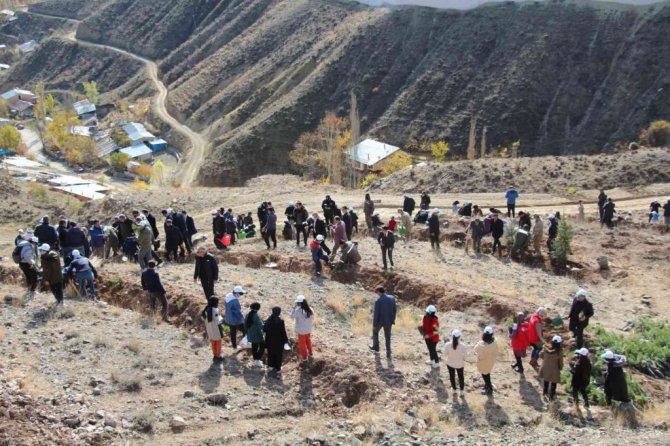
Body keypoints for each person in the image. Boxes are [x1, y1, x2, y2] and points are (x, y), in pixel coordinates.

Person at [369, 286, 397, 359]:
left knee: (375, 332)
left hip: (380, 321)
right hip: (389, 321)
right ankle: (388, 353)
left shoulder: (378, 301)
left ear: (379, 291)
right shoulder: (392, 298)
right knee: (388, 336)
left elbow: (376, 314)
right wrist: (393, 319)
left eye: (377, 292)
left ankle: (376, 347)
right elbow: (394, 310)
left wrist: (374, 323)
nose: (377, 294)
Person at [264, 306, 289, 377]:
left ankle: (270, 366)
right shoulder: (281, 321)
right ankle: (278, 368)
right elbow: (283, 332)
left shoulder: (268, 320)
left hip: (269, 340)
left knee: (270, 353)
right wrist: (286, 340)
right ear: (279, 313)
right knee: (279, 355)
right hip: (279, 341)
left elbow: (264, 329)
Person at [474, 326, 497, 396]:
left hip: (483, 363)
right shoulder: (494, 342)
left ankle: (489, 388)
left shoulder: (481, 344)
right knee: (487, 374)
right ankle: (487, 385)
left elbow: (475, 349)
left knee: (485, 375)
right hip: (490, 362)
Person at [290, 295, 314, 362]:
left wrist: (294, 308)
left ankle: (304, 357)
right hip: (308, 329)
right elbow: (312, 318)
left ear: (299, 303)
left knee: (302, 344)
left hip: (301, 331)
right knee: (308, 340)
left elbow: (291, 316)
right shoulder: (310, 309)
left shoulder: (298, 311)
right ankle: (310, 353)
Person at [539, 335, 563, 401]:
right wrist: (560, 368)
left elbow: (540, 355)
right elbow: (561, 362)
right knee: (553, 383)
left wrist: (545, 359)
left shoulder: (546, 348)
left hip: (545, 367)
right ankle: (551, 397)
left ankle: (544, 392)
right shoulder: (559, 352)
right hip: (555, 369)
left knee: (546, 380)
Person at [444, 329, 467, 395]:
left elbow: (445, 354)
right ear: (459, 337)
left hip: (450, 363)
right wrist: (463, 359)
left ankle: (454, 390)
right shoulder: (462, 346)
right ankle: (462, 391)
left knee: (452, 376)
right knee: (461, 377)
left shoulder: (447, 345)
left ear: (452, 336)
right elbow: (465, 356)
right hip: (460, 364)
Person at [201, 296, 224, 363]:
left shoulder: (205, 310)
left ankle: (215, 355)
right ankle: (218, 356)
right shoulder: (215, 310)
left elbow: (203, 318)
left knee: (213, 342)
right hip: (216, 329)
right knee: (218, 342)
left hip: (209, 329)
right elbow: (217, 320)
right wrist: (222, 319)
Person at [225, 286, 246, 353]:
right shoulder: (235, 301)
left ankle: (234, 348)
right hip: (235, 320)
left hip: (229, 318)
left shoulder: (228, 296)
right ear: (236, 293)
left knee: (233, 333)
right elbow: (238, 312)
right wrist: (243, 316)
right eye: (241, 293)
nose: (241, 295)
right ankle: (245, 344)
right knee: (245, 330)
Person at [245, 302, 265, 367]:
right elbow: (261, 325)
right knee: (262, 346)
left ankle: (256, 360)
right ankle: (257, 360)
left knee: (254, 347)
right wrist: (266, 326)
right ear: (258, 308)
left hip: (250, 333)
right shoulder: (255, 315)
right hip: (257, 334)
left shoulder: (248, 314)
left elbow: (245, 324)